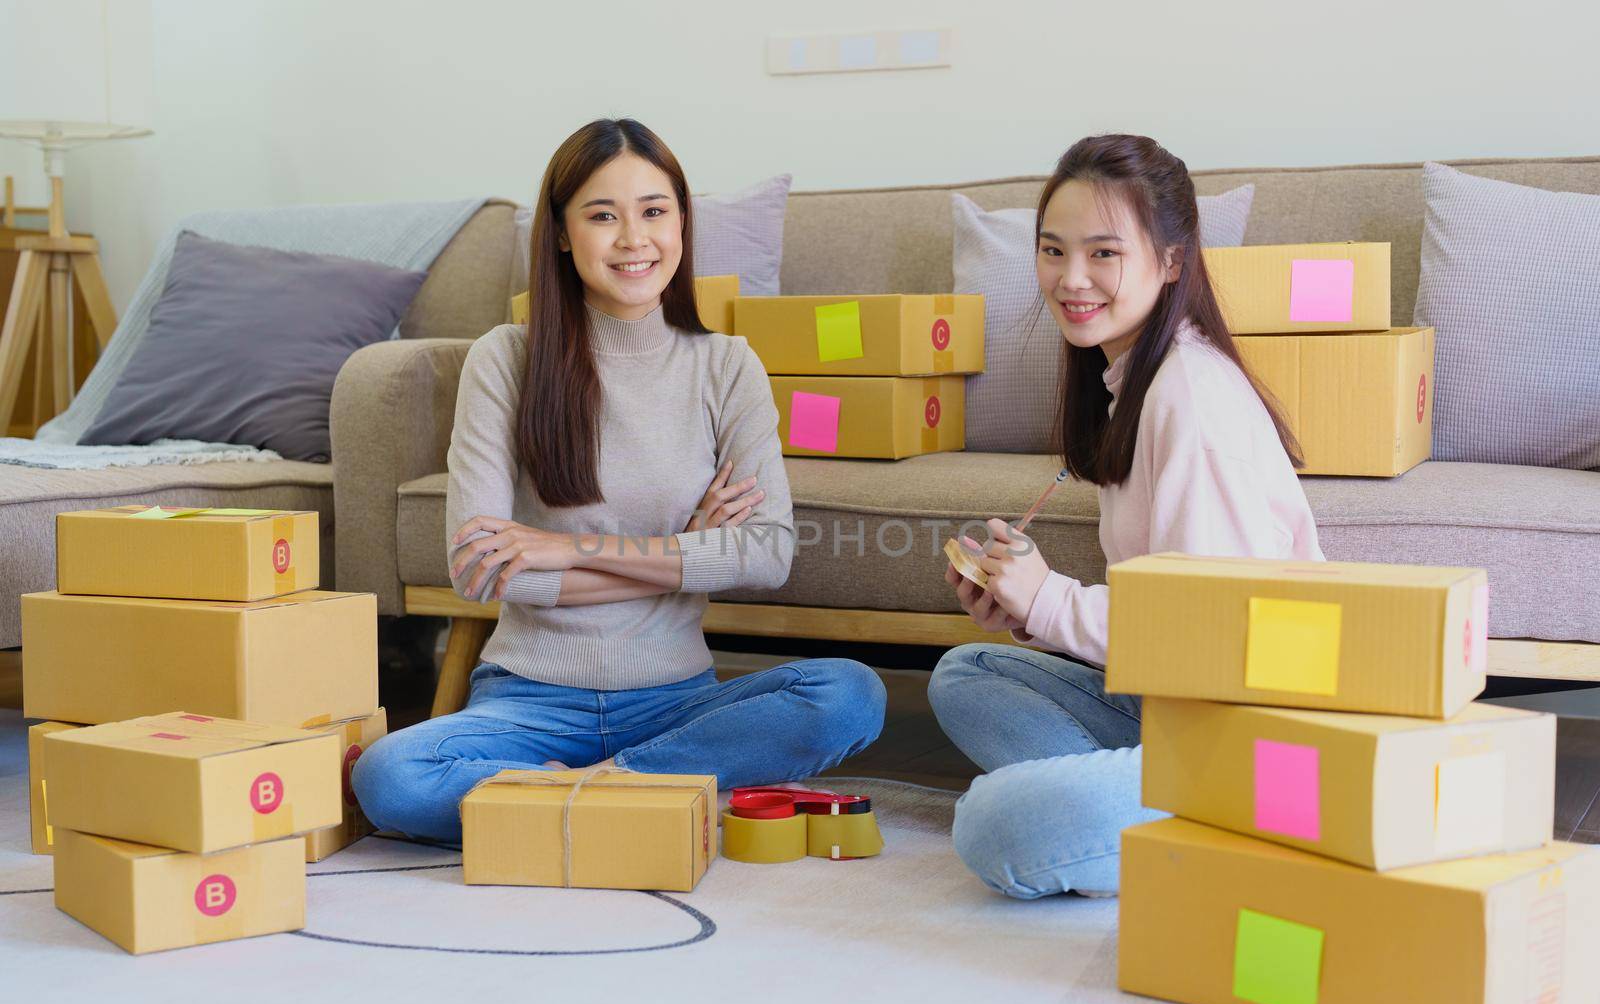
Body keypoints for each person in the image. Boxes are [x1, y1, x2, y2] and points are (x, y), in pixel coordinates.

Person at [353, 118, 885, 843]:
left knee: (848, 694)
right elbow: (479, 571)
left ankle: (579, 798)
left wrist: (565, 550)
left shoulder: (727, 366)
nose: (635, 239)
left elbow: (767, 553)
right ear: (564, 234)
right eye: (603, 215)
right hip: (528, 704)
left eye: (654, 211)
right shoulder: (505, 359)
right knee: (389, 775)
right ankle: (646, 797)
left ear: (682, 223)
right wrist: (683, 556)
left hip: (677, 706)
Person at [929, 134, 1323, 898]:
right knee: (964, 674)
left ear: (1172, 260)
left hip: (1245, 733)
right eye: (1052, 250)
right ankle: (1138, 810)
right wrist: (1026, 609)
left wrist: (1052, 599)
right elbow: (1164, 627)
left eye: (1103, 254)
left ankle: (1204, 822)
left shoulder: (1192, 398)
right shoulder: (1129, 379)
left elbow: (1211, 637)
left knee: (992, 827)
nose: (1071, 279)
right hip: (1172, 709)